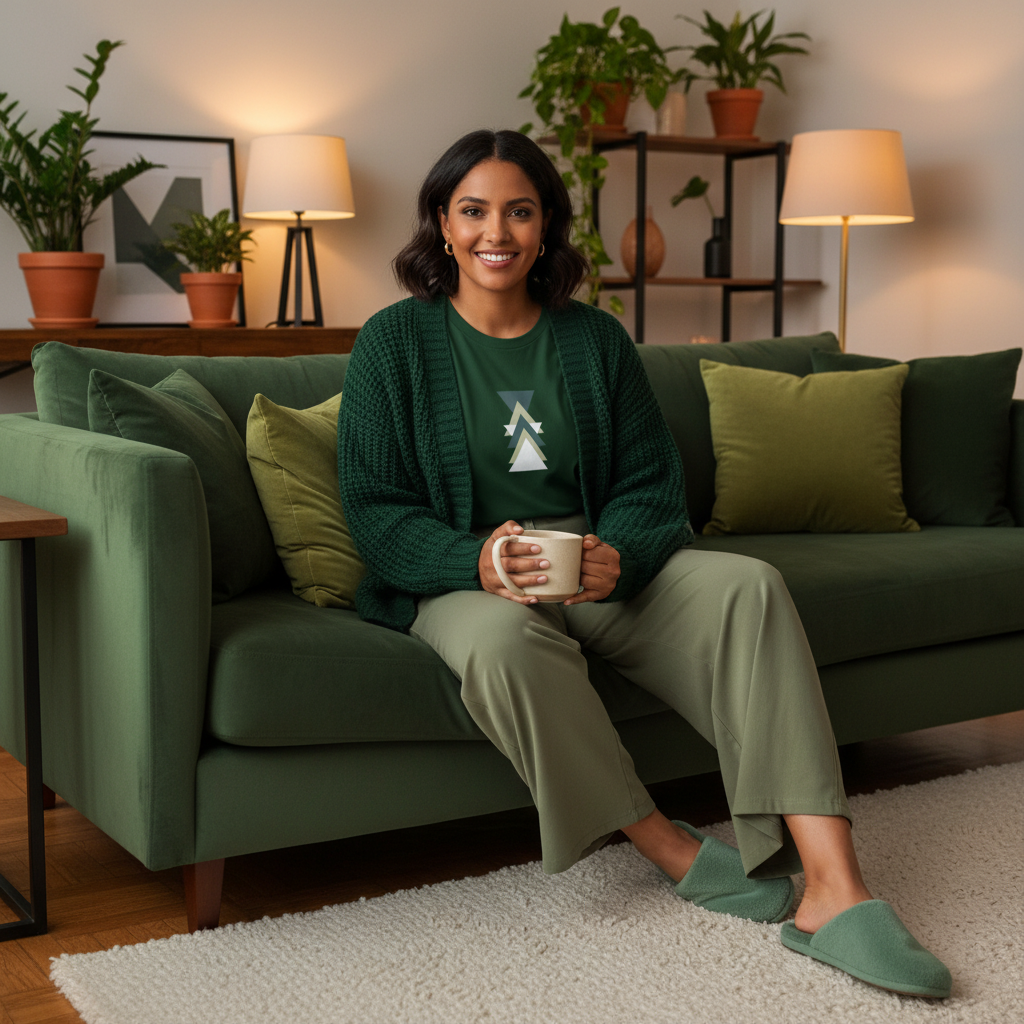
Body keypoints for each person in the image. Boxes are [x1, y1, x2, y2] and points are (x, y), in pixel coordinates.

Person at [337, 129, 951, 999]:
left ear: (546, 225)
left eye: (520, 209)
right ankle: (667, 844)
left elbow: (651, 484)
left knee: (750, 584)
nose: (496, 232)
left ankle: (832, 887)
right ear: (442, 223)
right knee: (506, 646)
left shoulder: (594, 340)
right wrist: (475, 559)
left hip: (597, 563)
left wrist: (615, 556)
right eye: (473, 210)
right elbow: (376, 511)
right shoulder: (391, 343)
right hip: (466, 577)